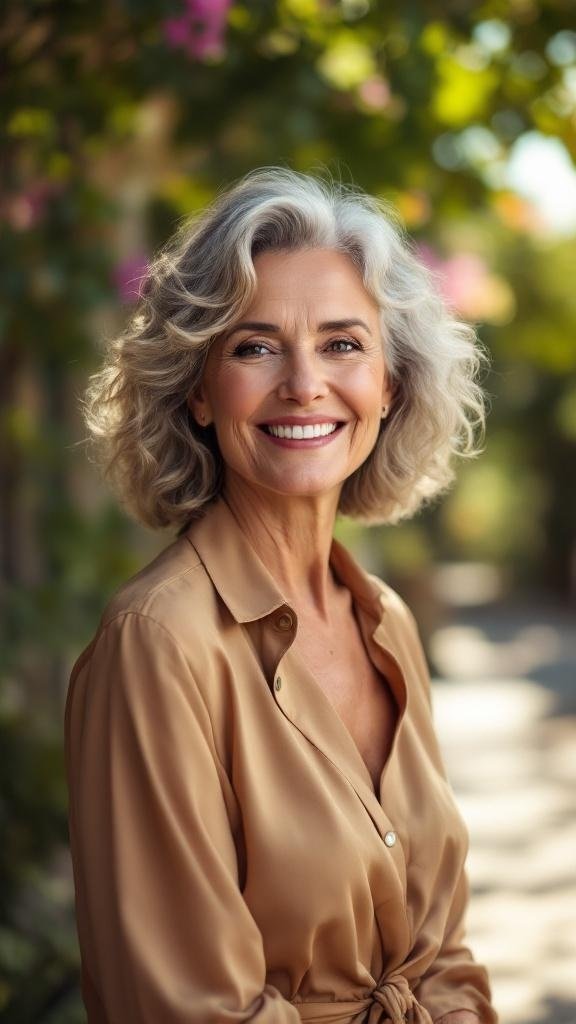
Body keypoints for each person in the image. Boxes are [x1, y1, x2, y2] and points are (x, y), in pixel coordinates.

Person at [64, 166, 499, 1024]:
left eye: (343, 343)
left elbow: (442, 953)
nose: (304, 383)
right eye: (255, 346)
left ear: (391, 384)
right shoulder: (158, 645)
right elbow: (190, 1008)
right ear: (196, 389)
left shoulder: (387, 621)